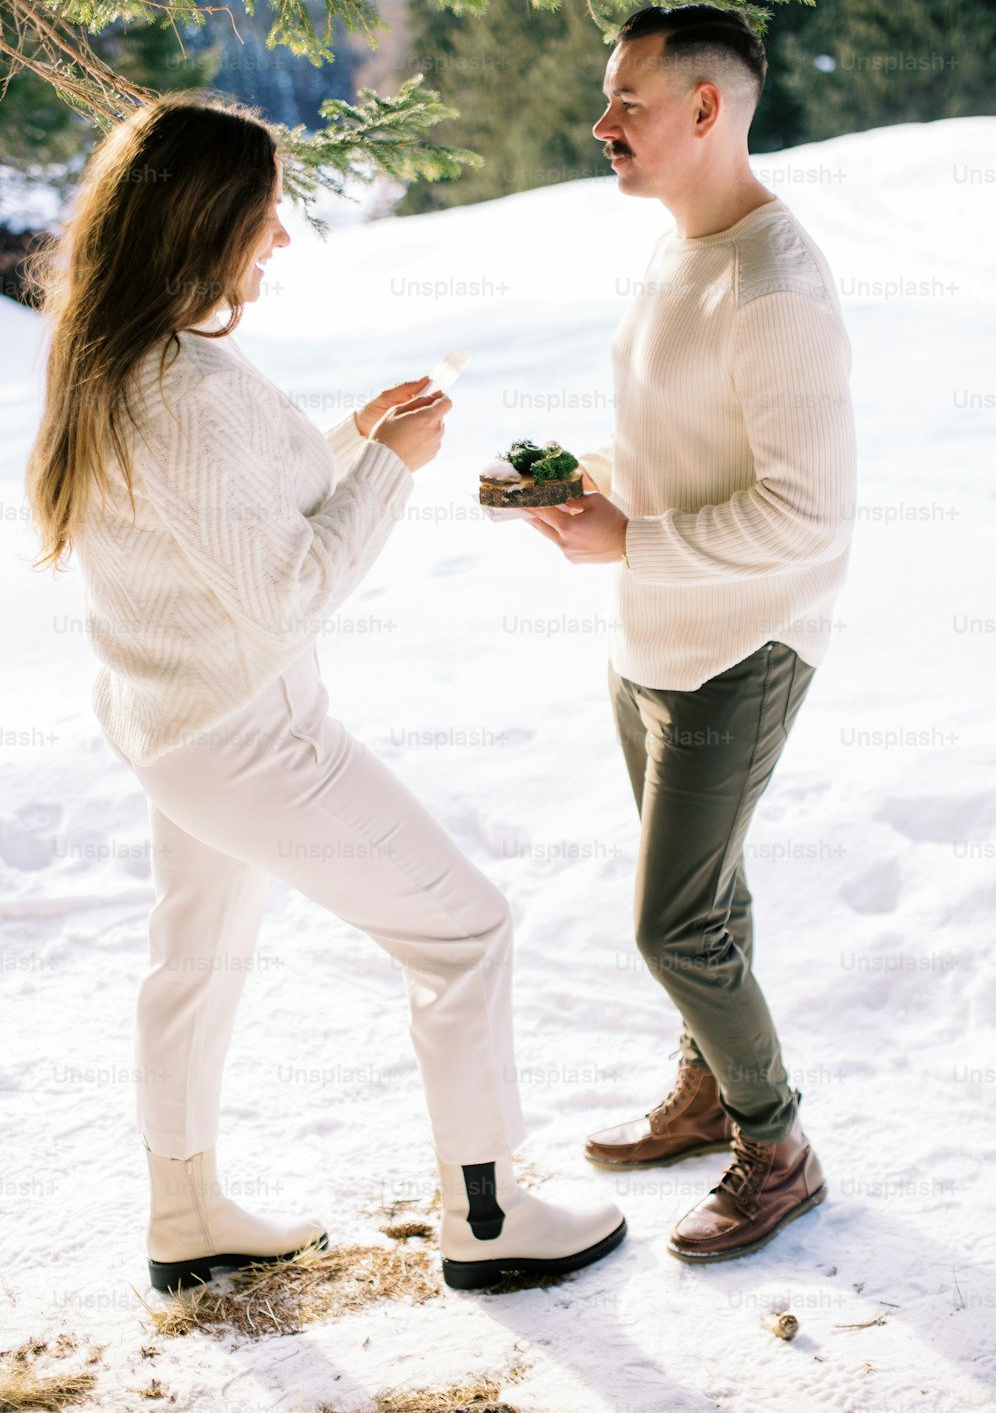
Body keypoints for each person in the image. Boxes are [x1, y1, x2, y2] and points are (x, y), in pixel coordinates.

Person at [25, 92, 625, 1294]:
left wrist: (354, 435)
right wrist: (392, 476)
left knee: (194, 959)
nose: (283, 240)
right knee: (465, 931)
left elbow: (226, 515)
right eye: (267, 215)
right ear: (205, 224)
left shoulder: (135, 347)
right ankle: (489, 1215)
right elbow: (286, 591)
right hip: (247, 735)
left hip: (176, 728)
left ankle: (186, 1213)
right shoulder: (175, 389)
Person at [523, 6, 856, 1262]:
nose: (602, 124)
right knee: (706, 895)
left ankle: (776, 1149)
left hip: (742, 645)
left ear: (704, 111)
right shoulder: (682, 249)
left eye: (628, 104)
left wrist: (636, 542)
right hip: (648, 633)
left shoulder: (774, 286)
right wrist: (587, 484)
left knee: (673, 923)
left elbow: (808, 514)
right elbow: (685, 444)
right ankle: (708, 1081)